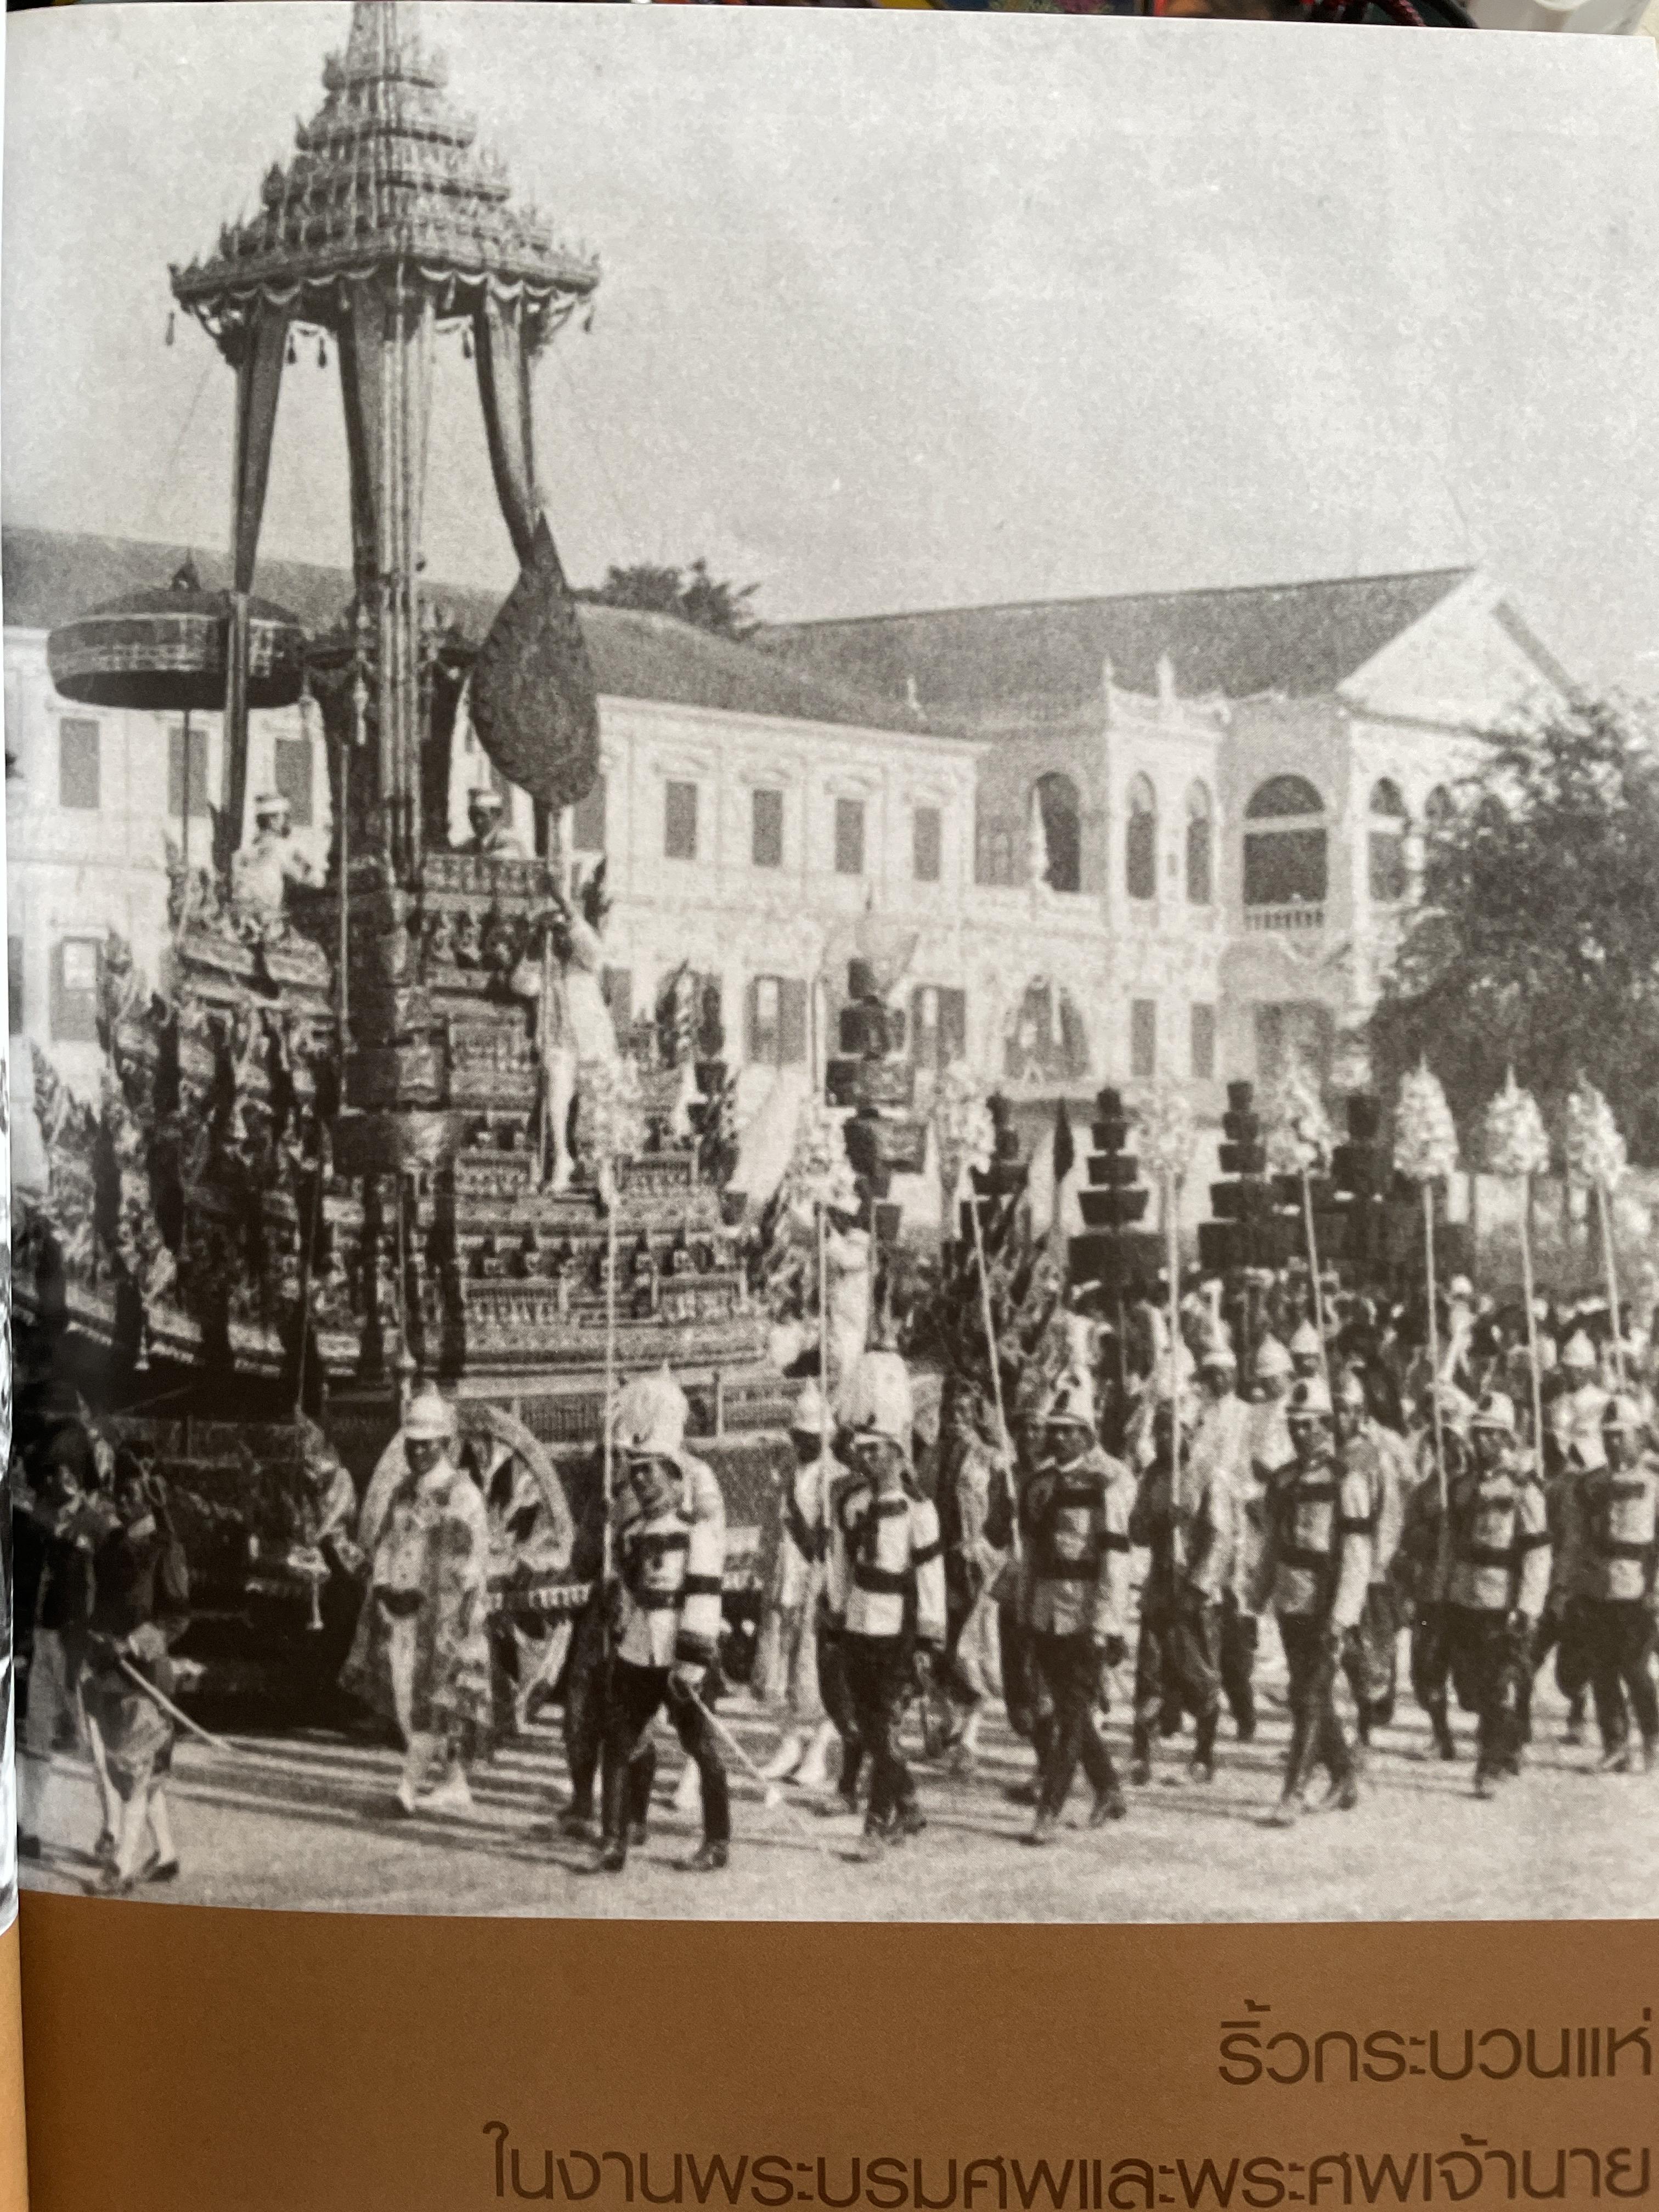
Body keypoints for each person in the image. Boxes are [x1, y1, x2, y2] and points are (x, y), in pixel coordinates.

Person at [594, 1368, 730, 1874]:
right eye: (637, 1472)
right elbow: (630, 1592)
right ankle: (615, 1837)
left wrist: (691, 1663)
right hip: (637, 1649)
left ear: (676, 1475)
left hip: (679, 1652)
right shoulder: (633, 1532)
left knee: (701, 1745)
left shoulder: (698, 1534)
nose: (642, 1482)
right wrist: (617, 1600)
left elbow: (702, 1600)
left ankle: (717, 1840)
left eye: (652, 1471)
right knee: (620, 1735)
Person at [825, 1351, 946, 1863]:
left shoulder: (920, 1512)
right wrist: (834, 1613)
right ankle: (910, 1802)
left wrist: (928, 1639)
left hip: (896, 1631)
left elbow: (930, 1577)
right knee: (865, 1722)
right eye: (865, 1450)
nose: (871, 1460)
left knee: (881, 1727)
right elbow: (840, 1567)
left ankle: (878, 1824)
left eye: (881, 1451)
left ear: (900, 1453)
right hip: (858, 1625)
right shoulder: (851, 1505)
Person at [362, 1387, 495, 1818]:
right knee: (407, 1702)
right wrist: (383, 1588)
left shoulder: (463, 1495)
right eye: (412, 1445)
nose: (418, 1452)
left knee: (432, 1704)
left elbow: (470, 1562)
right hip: (403, 1615)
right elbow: (384, 1546)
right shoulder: (402, 1492)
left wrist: (455, 1618)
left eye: (427, 1445)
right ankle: (455, 1784)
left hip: (445, 1620)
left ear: (446, 1445)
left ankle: (408, 1786)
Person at [1017, 1367, 1133, 1846]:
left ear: (1088, 1435)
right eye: (1054, 1429)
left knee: (1070, 1715)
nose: (1059, 1438)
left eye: (1070, 1430)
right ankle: (1108, 1788)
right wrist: (1025, 1612)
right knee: (1073, 1713)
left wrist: (1107, 1625)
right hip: (1046, 1612)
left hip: (1085, 1617)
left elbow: (1116, 1563)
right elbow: (1030, 1557)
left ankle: (1049, 1810)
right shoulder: (1037, 1483)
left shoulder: (1108, 1483)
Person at [1250, 1376, 1373, 1826]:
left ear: (1327, 1426)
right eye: (1295, 1426)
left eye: (1310, 1425)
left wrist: (1342, 1618)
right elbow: (1270, 1550)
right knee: (1312, 1695)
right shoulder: (1282, 1481)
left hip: (1327, 1607)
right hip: (1292, 1603)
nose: (1301, 1434)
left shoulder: (1347, 1480)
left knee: (1306, 1696)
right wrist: (1255, 1601)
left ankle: (1293, 1792)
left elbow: (1359, 1557)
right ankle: (1342, 1775)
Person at [78, 1447, 191, 1894]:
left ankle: (121, 1868)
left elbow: (178, 1617)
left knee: (134, 1766)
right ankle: (165, 1854)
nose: (120, 1504)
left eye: (129, 1495)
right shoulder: (109, 1548)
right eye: (117, 1495)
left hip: (146, 1678)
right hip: (109, 1672)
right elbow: (100, 1606)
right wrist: (96, 1639)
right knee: (133, 1772)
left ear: (150, 1496)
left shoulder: (166, 1550)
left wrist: (134, 1642)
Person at [1435, 1391, 1552, 1799]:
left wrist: (1528, 1607)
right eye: (1478, 1434)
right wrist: (1441, 1594)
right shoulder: (1463, 1487)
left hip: (1501, 1600)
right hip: (1464, 1598)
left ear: (1506, 1439)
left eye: (1491, 1435)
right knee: (1468, 1687)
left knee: (1494, 1684)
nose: (1482, 1442)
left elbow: (1538, 1554)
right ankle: (1506, 1743)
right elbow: (1451, 1547)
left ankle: (1490, 1762)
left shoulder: (1523, 1488)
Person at [14, 1425, 114, 1865]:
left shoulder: (100, 1527)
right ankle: (29, 1829)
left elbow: (109, 1592)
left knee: (95, 1740)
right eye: (53, 1472)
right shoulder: (37, 1518)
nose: (58, 1480)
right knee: (35, 1739)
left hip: (80, 1648)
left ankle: (112, 1829)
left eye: (66, 1472)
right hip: (41, 1640)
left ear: (79, 1474)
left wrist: (100, 1642)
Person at [1129, 1393, 1234, 1786]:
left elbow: (1220, 1538)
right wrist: (1158, 1521)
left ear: (1188, 1434)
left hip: (1195, 1593)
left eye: (1169, 1430)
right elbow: (1135, 1529)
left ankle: (1204, 1754)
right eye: (1156, 1430)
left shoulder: (1209, 1476)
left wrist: (1199, 1587)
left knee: (1200, 1675)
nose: (1161, 1438)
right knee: (1149, 1671)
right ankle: (1141, 1753)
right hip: (1159, 1586)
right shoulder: (1153, 1476)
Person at [755, 1380, 840, 1791]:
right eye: (799, 1437)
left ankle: (820, 1747)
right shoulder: (788, 1472)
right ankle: (788, 1741)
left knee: (813, 1670)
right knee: (775, 1666)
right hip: (784, 1577)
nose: (804, 1443)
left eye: (811, 1437)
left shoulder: (834, 1477)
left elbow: (825, 1542)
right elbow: (772, 1529)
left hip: (816, 1580)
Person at [930, 1386, 1015, 1778]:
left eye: (966, 1411)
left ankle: (971, 1736)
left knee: (973, 1648)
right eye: (952, 1410)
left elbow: (1003, 1515)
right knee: (938, 1648)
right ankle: (947, 1720)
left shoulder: (992, 1461)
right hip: (939, 1562)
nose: (958, 1419)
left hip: (976, 1563)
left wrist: (984, 1551)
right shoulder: (933, 1455)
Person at [1571, 1396, 1658, 1774]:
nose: (1613, 1443)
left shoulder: (1654, 1483)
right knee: (1602, 1670)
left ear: (1639, 1436)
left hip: (1636, 1590)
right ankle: (1615, 1744)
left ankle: (1652, 1737)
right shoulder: (1593, 1484)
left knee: (1636, 1670)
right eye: (1607, 1436)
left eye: (1620, 1436)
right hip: (1599, 1589)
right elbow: (1582, 1540)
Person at [1333, 1367, 1410, 1749]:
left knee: (1368, 1651)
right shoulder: (1329, 1455)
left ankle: (1364, 1729)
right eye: (1336, 1410)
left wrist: (1376, 1562)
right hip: (1335, 1567)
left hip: (1369, 1570)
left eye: (1347, 1411)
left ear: (1360, 1414)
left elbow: (1389, 1513)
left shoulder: (1373, 1456)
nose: (1340, 1418)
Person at [230, 790, 316, 926]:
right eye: (286, 817)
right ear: (273, 820)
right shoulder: (281, 847)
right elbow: (310, 879)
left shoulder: (243, 852)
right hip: (266, 918)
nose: (288, 823)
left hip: (241, 917)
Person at [459, 784, 527, 859]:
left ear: (497, 815)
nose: (477, 821)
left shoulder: (512, 845)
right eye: (472, 815)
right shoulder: (468, 847)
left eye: (482, 815)